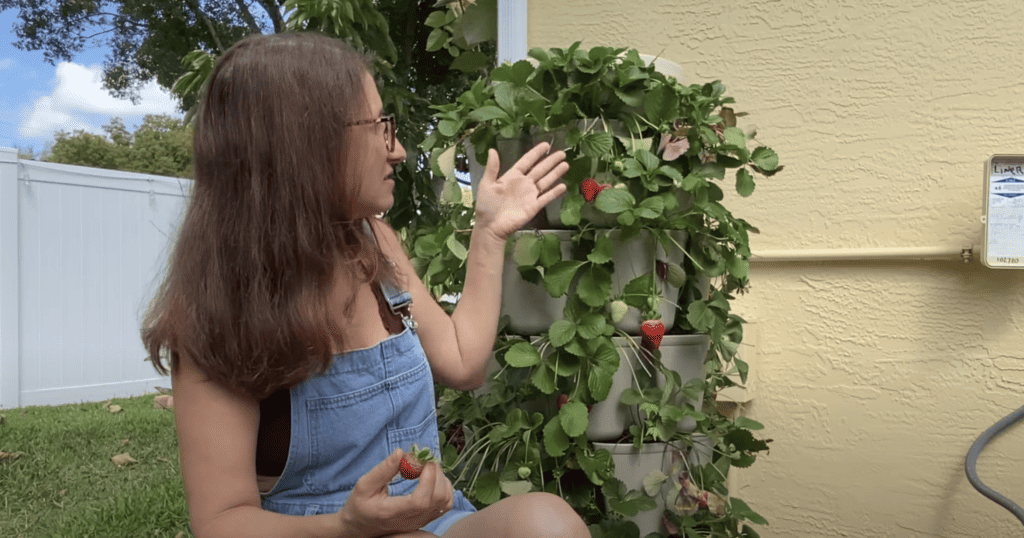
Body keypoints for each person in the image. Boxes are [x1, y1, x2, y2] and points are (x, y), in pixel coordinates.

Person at [140, 31, 588, 538]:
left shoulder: (373, 243)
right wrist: (348, 526)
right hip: (316, 532)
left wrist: (489, 234)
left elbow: (463, 362)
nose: (396, 149)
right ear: (305, 143)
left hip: (431, 523)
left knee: (546, 524)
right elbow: (221, 522)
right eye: (378, 127)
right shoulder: (218, 313)